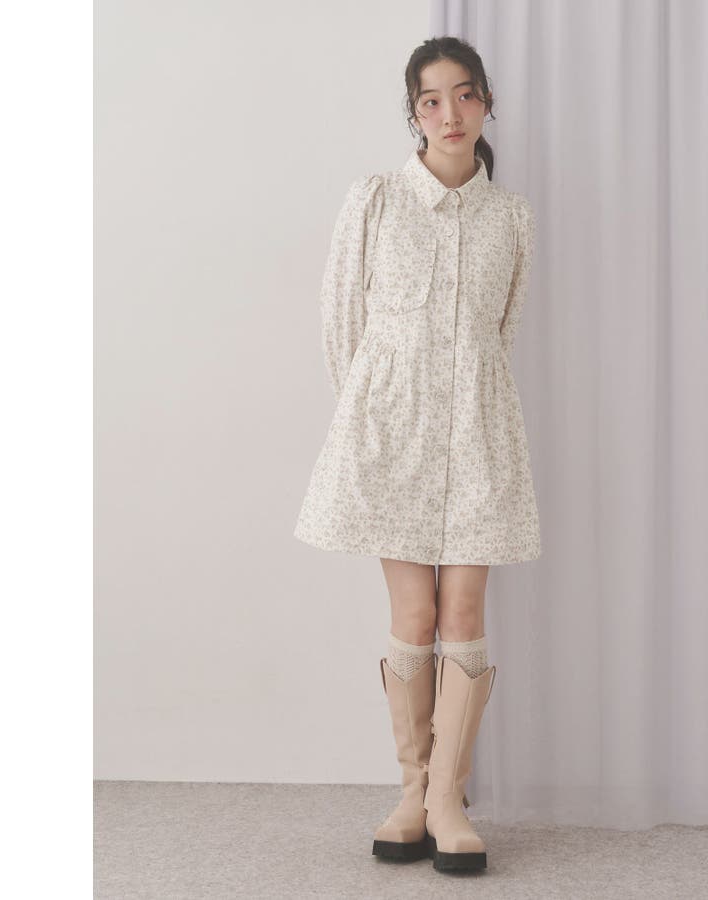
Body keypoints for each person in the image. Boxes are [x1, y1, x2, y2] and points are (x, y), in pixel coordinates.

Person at [293, 35, 541, 872]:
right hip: (391, 434)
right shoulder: (374, 201)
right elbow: (342, 329)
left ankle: (446, 801)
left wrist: (462, 401)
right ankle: (412, 791)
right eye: (431, 100)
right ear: (414, 114)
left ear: (486, 103)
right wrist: (376, 419)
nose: (449, 113)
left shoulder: (512, 217)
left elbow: (500, 335)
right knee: (414, 617)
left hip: (478, 435)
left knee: (464, 615)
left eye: (464, 95)